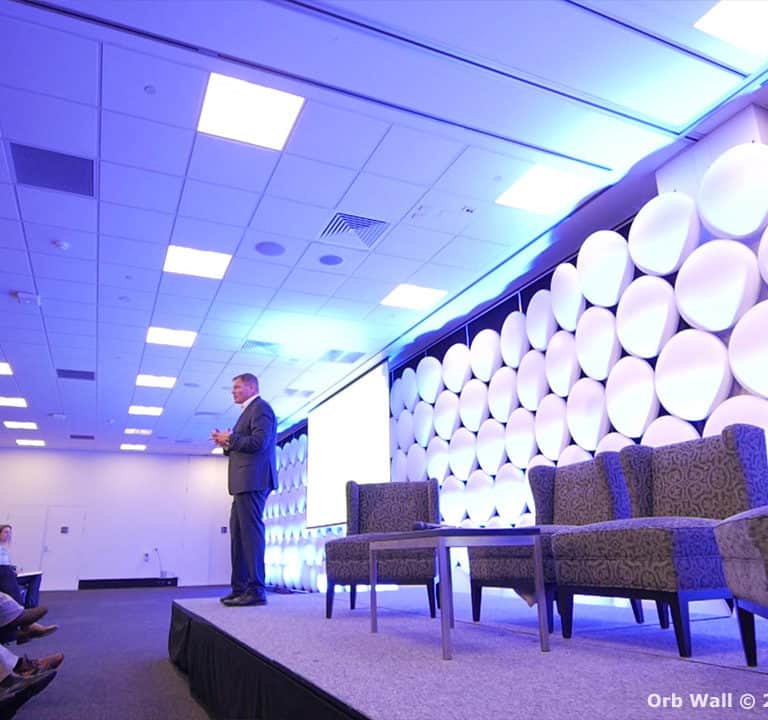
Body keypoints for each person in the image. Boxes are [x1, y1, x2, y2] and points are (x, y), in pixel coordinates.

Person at [211, 373, 277, 607]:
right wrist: (227, 443)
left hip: (254, 480)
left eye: (237, 387)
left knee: (250, 536)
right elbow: (244, 444)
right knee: (238, 536)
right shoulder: (247, 413)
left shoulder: (261, 408)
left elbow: (260, 443)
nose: (233, 392)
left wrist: (232, 439)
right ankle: (240, 588)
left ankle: (256, 590)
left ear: (251, 387)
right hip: (242, 483)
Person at [0, 527, 56, 643]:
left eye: (10, 533)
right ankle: (26, 622)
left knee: (36, 576)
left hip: (7, 574)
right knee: (6, 573)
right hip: (4, 575)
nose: (8, 535)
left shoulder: (4, 550)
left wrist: (14, 569)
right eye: (6, 532)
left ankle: (29, 609)